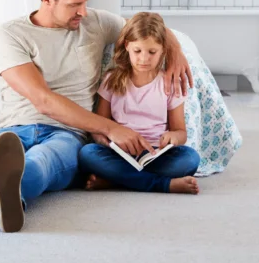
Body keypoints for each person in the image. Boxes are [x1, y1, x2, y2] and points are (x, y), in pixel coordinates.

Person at [0, 0, 193, 232]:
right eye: (74, 4)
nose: (83, 11)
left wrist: (174, 52)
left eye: (86, 2)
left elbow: (147, 28)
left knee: (42, 161)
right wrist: (112, 128)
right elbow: (43, 100)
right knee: (2, 152)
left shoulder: (96, 22)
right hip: (15, 127)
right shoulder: (10, 35)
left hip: (66, 132)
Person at [79, 12, 201, 194]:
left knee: (190, 159)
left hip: (155, 154)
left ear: (163, 51)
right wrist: (107, 140)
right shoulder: (111, 80)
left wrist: (173, 138)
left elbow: (180, 132)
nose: (144, 59)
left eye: (152, 52)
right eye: (137, 51)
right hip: (120, 153)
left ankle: (117, 180)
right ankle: (164, 184)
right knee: (87, 153)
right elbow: (100, 126)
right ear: (127, 46)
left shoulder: (168, 83)